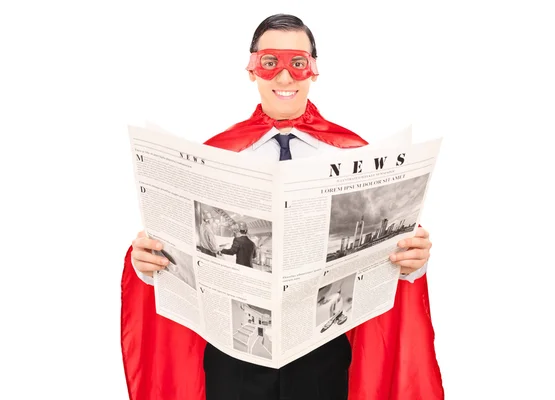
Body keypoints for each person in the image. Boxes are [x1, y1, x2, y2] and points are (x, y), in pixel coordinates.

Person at [123, 13, 443, 400]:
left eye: (298, 63)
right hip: (232, 359)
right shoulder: (212, 157)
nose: (285, 77)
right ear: (251, 69)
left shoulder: (356, 155)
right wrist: (144, 262)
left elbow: (388, 261)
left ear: (314, 71)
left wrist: (415, 260)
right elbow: (175, 253)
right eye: (270, 63)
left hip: (322, 358)